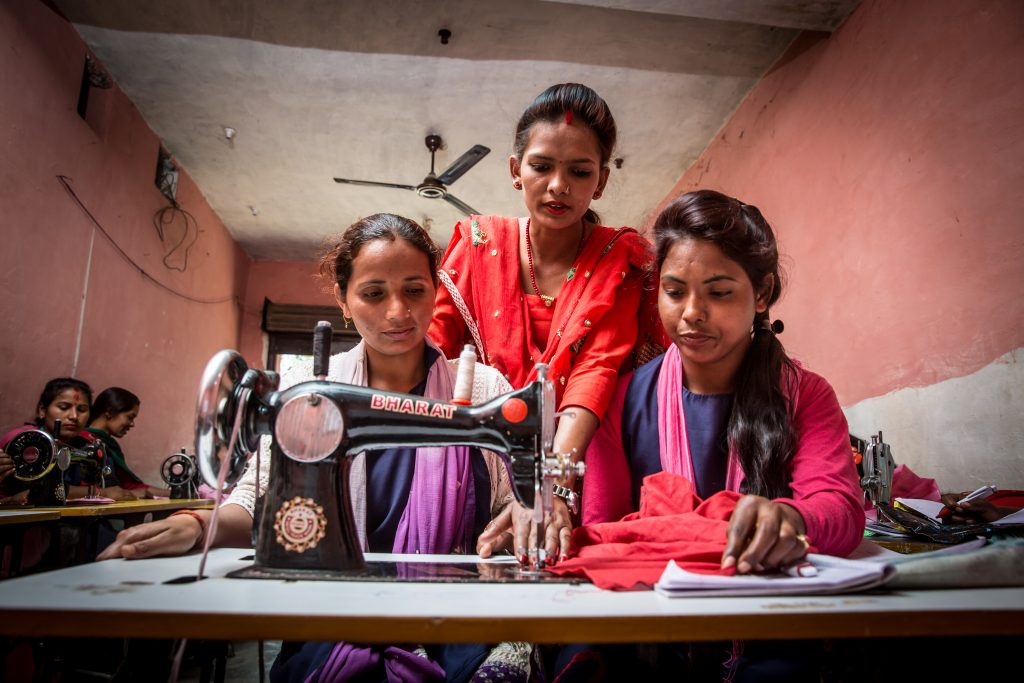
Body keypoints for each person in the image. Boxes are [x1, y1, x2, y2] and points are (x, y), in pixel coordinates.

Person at [99, 213, 532, 682]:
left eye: (414, 290)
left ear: (435, 292)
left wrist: (523, 516)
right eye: (373, 293)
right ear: (344, 301)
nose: (397, 312)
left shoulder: (484, 387)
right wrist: (195, 525)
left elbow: (513, 502)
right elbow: (256, 501)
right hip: (331, 616)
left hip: (455, 619)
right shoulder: (308, 390)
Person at [563, 190, 865, 680]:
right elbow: (606, 533)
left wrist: (786, 516)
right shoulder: (619, 403)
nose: (691, 313)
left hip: (771, 634)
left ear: (762, 293)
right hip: (653, 632)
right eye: (674, 290)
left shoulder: (804, 395)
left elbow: (840, 510)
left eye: (719, 292)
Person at [430, 83, 667, 561]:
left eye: (579, 172)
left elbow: (594, 372)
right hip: (478, 462)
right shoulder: (476, 245)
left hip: (582, 463)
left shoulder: (619, 259)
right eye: (541, 167)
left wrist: (548, 487)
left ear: (599, 181)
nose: (559, 185)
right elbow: (430, 357)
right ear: (516, 171)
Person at [0, 377, 93, 501]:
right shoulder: (22, 440)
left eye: (82, 410)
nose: (74, 416)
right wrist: (101, 492)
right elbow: (39, 492)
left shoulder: (82, 444)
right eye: (64, 407)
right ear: (42, 410)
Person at [73, 387, 170, 499]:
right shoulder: (82, 441)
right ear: (109, 412)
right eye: (129, 417)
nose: (132, 424)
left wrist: (172, 493)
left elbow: (127, 485)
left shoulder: (109, 445)